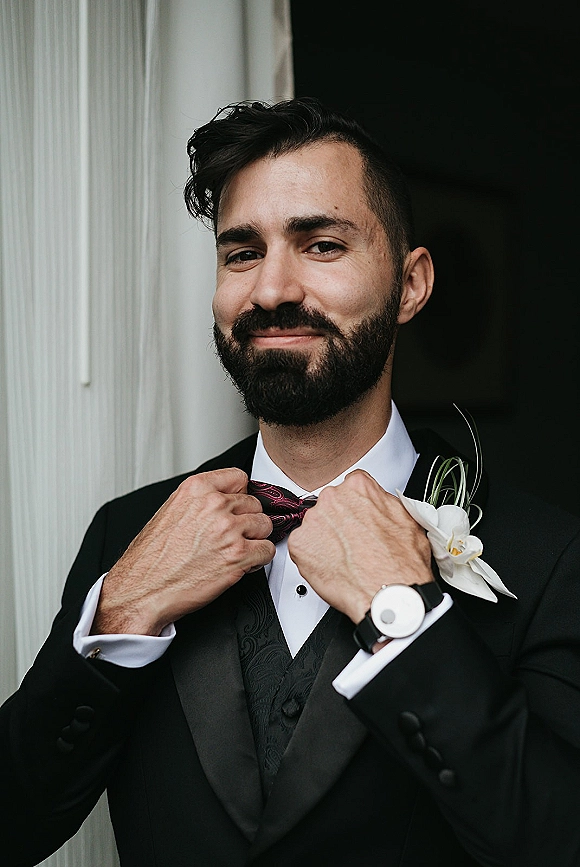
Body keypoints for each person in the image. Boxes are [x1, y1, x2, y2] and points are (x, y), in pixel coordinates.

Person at [2, 96, 580, 867]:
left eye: (322, 245)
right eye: (242, 253)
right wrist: (122, 612)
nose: (271, 290)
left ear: (411, 284)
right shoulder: (127, 531)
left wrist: (405, 619)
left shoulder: (550, 558)